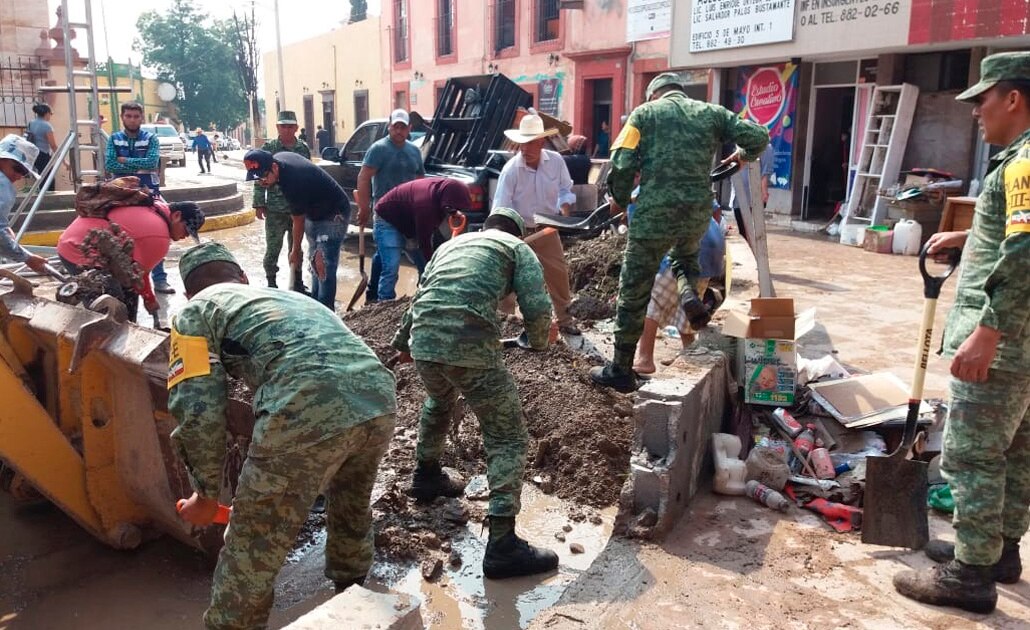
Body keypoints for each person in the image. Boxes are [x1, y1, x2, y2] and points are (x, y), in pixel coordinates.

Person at [169, 242, 397, 629]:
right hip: (377, 397)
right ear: (241, 277)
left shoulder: (195, 311)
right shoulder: (282, 298)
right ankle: (352, 590)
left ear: (189, 292)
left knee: (252, 545)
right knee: (350, 501)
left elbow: (197, 405)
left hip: (305, 405)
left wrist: (205, 493)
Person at [893, 52, 1030, 615]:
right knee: (1018, 450)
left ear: (1014, 98)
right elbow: (1012, 230)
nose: (977, 112)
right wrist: (969, 237)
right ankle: (999, 551)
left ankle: (970, 576)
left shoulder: (1022, 164)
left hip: (1005, 340)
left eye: (983, 100)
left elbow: (1024, 251)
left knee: (973, 456)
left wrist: (988, 333)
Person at [390, 207, 559, 579]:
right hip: (469, 347)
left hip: (424, 346)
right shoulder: (517, 248)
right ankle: (502, 545)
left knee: (439, 399)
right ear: (518, 231)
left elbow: (421, 297)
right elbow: (535, 304)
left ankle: (427, 474)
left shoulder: (452, 246)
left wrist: (403, 344)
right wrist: (541, 336)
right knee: (507, 435)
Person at [589, 72, 769, 392]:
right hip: (697, 213)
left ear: (654, 95)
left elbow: (622, 160)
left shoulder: (644, 114)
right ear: (680, 92)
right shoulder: (712, 112)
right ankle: (687, 291)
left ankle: (620, 368)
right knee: (685, 259)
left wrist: (618, 199)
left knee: (634, 289)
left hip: (653, 215)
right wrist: (742, 156)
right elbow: (758, 136)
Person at [493, 109, 581, 335]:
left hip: (547, 228)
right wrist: (509, 239)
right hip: (518, 231)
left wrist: (563, 213)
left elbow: (565, 190)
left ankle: (565, 319)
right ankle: (507, 323)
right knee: (509, 279)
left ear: (542, 141)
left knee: (557, 273)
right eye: (522, 143)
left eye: (531, 143)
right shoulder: (511, 170)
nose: (525, 149)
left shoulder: (556, 162)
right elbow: (501, 209)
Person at [57, 192, 204, 322]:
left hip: (72, 241)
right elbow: (138, 276)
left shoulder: (154, 206)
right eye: (186, 229)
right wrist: (149, 299)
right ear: (177, 215)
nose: (185, 236)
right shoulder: (159, 236)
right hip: (80, 251)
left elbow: (133, 274)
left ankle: (127, 327)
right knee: (112, 309)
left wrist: (147, 297)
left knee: (128, 293)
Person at [245, 148, 350, 310]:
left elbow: (297, 221)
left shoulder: (293, 181)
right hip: (313, 211)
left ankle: (326, 312)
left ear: (274, 168)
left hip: (334, 213)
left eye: (264, 176)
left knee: (324, 264)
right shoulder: (277, 160)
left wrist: (295, 250)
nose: (262, 182)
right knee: (315, 261)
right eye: (257, 178)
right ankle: (316, 306)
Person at [633, 211, 726, 374]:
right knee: (688, 302)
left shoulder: (645, 189)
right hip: (711, 245)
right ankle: (689, 353)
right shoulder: (691, 184)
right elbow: (715, 210)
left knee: (649, 298)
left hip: (685, 247)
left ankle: (645, 359)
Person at [104, 101, 176, 295]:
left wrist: (125, 160)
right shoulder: (114, 139)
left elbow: (152, 162)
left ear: (141, 118)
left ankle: (160, 280)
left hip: (148, 193)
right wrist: (138, 165)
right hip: (121, 195)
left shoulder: (151, 138)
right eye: (128, 116)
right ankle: (122, 281)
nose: (132, 120)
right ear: (122, 117)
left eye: (136, 116)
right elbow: (110, 165)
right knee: (114, 235)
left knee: (161, 229)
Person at [356, 108, 425, 302]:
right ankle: (385, 303)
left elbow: (421, 180)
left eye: (403, 127)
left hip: (409, 216)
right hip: (385, 215)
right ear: (389, 127)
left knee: (419, 260)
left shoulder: (414, 151)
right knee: (392, 266)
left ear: (409, 128)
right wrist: (364, 207)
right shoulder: (379, 149)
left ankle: (373, 294)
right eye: (396, 127)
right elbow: (363, 177)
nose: (399, 131)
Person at [370, 177, 471, 293]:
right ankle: (384, 302)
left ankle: (423, 291)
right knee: (391, 266)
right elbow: (424, 241)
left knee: (416, 261)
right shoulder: (426, 204)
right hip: (388, 218)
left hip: (410, 220)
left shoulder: (441, 192)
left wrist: (453, 212)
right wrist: (432, 265)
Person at [252, 110, 310, 290]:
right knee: (273, 248)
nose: (287, 130)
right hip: (275, 209)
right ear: (277, 127)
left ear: (296, 128)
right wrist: (259, 204)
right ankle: (271, 283)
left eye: (290, 126)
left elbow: (307, 176)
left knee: (297, 248)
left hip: (297, 209)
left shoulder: (303, 149)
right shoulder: (268, 149)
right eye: (283, 126)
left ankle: (297, 281)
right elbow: (259, 177)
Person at [0, 134, 47, 274]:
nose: (20, 176)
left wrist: (5, 227)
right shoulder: (3, 184)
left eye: (24, 173)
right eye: (18, 169)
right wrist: (27, 258)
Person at [728, 142, 776, 247]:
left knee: (751, 233)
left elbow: (765, 174)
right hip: (737, 196)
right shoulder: (739, 145)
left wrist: (763, 194)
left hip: (752, 197)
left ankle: (754, 257)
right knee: (743, 232)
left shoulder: (765, 147)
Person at [26, 103, 58, 191]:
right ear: (47, 113)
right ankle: (48, 200)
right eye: (50, 114)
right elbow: (53, 145)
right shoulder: (47, 126)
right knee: (49, 179)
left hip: (33, 153)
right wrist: (64, 161)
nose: (50, 116)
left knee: (41, 176)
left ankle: (41, 195)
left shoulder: (31, 123)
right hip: (43, 154)